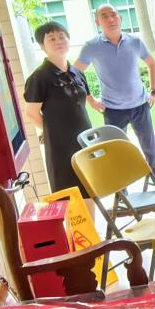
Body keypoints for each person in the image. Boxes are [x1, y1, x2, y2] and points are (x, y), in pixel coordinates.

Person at [74, 4, 155, 186]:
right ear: (97, 22)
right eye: (104, 16)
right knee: (115, 156)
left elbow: (152, 64)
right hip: (113, 110)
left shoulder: (134, 41)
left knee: (151, 151)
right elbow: (76, 73)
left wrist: (153, 92)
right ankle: (123, 196)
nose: (110, 19)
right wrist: (91, 100)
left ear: (120, 18)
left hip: (141, 106)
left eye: (113, 15)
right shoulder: (91, 47)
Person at [23, 21, 92, 197]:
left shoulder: (77, 72)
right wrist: (51, 129)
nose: (58, 41)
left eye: (62, 37)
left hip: (84, 140)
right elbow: (31, 113)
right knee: (69, 194)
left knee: (89, 189)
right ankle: (74, 226)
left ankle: (91, 225)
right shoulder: (40, 77)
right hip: (60, 146)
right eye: (51, 38)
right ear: (42, 46)